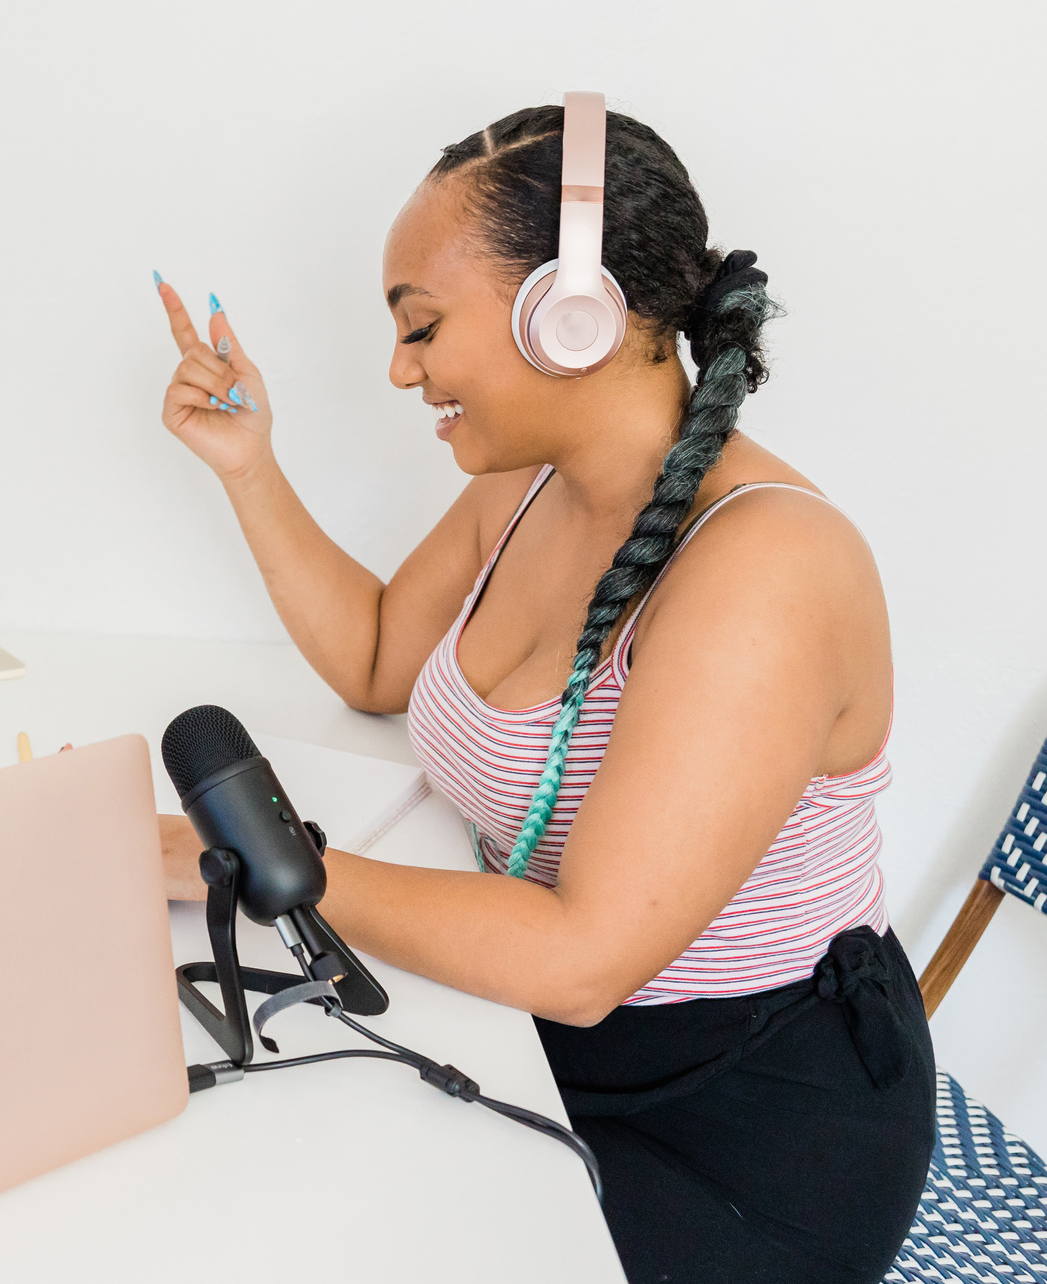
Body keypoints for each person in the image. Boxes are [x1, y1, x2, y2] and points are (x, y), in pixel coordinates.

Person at [153, 103, 933, 1283]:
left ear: (571, 316)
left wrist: (257, 864)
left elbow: (582, 959)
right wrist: (250, 468)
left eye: (422, 326)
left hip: (743, 1132)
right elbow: (377, 659)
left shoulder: (769, 568)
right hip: (541, 1037)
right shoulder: (525, 485)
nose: (400, 368)